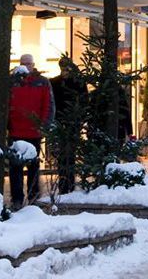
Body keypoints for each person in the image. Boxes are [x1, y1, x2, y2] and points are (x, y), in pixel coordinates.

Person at [8, 53, 55, 210]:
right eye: (23, 63)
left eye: (29, 63)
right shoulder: (12, 82)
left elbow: (48, 105)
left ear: (33, 64)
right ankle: (17, 199)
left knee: (33, 167)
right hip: (16, 131)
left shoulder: (42, 82)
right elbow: (6, 105)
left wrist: (43, 126)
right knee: (16, 168)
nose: (26, 66)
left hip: (34, 132)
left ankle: (34, 197)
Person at [50, 57, 88, 194]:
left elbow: (84, 102)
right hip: (60, 122)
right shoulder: (54, 82)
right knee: (61, 154)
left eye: (66, 68)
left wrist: (80, 120)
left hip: (72, 123)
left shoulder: (77, 83)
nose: (64, 71)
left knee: (70, 154)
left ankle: (69, 183)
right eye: (63, 68)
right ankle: (64, 183)